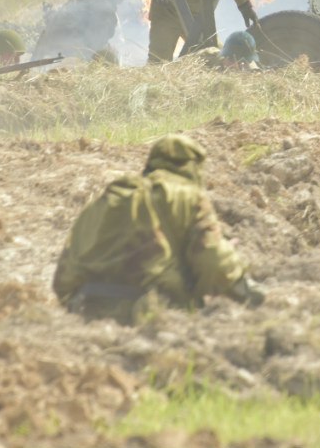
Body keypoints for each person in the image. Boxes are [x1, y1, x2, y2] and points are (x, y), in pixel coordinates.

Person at [53, 133, 265, 324]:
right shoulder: (188, 196)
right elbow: (213, 263)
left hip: (87, 311)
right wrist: (253, 297)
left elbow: (64, 277)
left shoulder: (105, 200)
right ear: (194, 168)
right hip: (150, 314)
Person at [31, 0, 135, 64]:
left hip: (45, 51)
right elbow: (95, 46)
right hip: (63, 57)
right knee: (110, 58)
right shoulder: (105, 10)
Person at [194, 30, 261, 71]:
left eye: (245, 62)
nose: (242, 66)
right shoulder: (206, 57)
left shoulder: (248, 62)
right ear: (227, 57)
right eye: (240, 62)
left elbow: (255, 71)